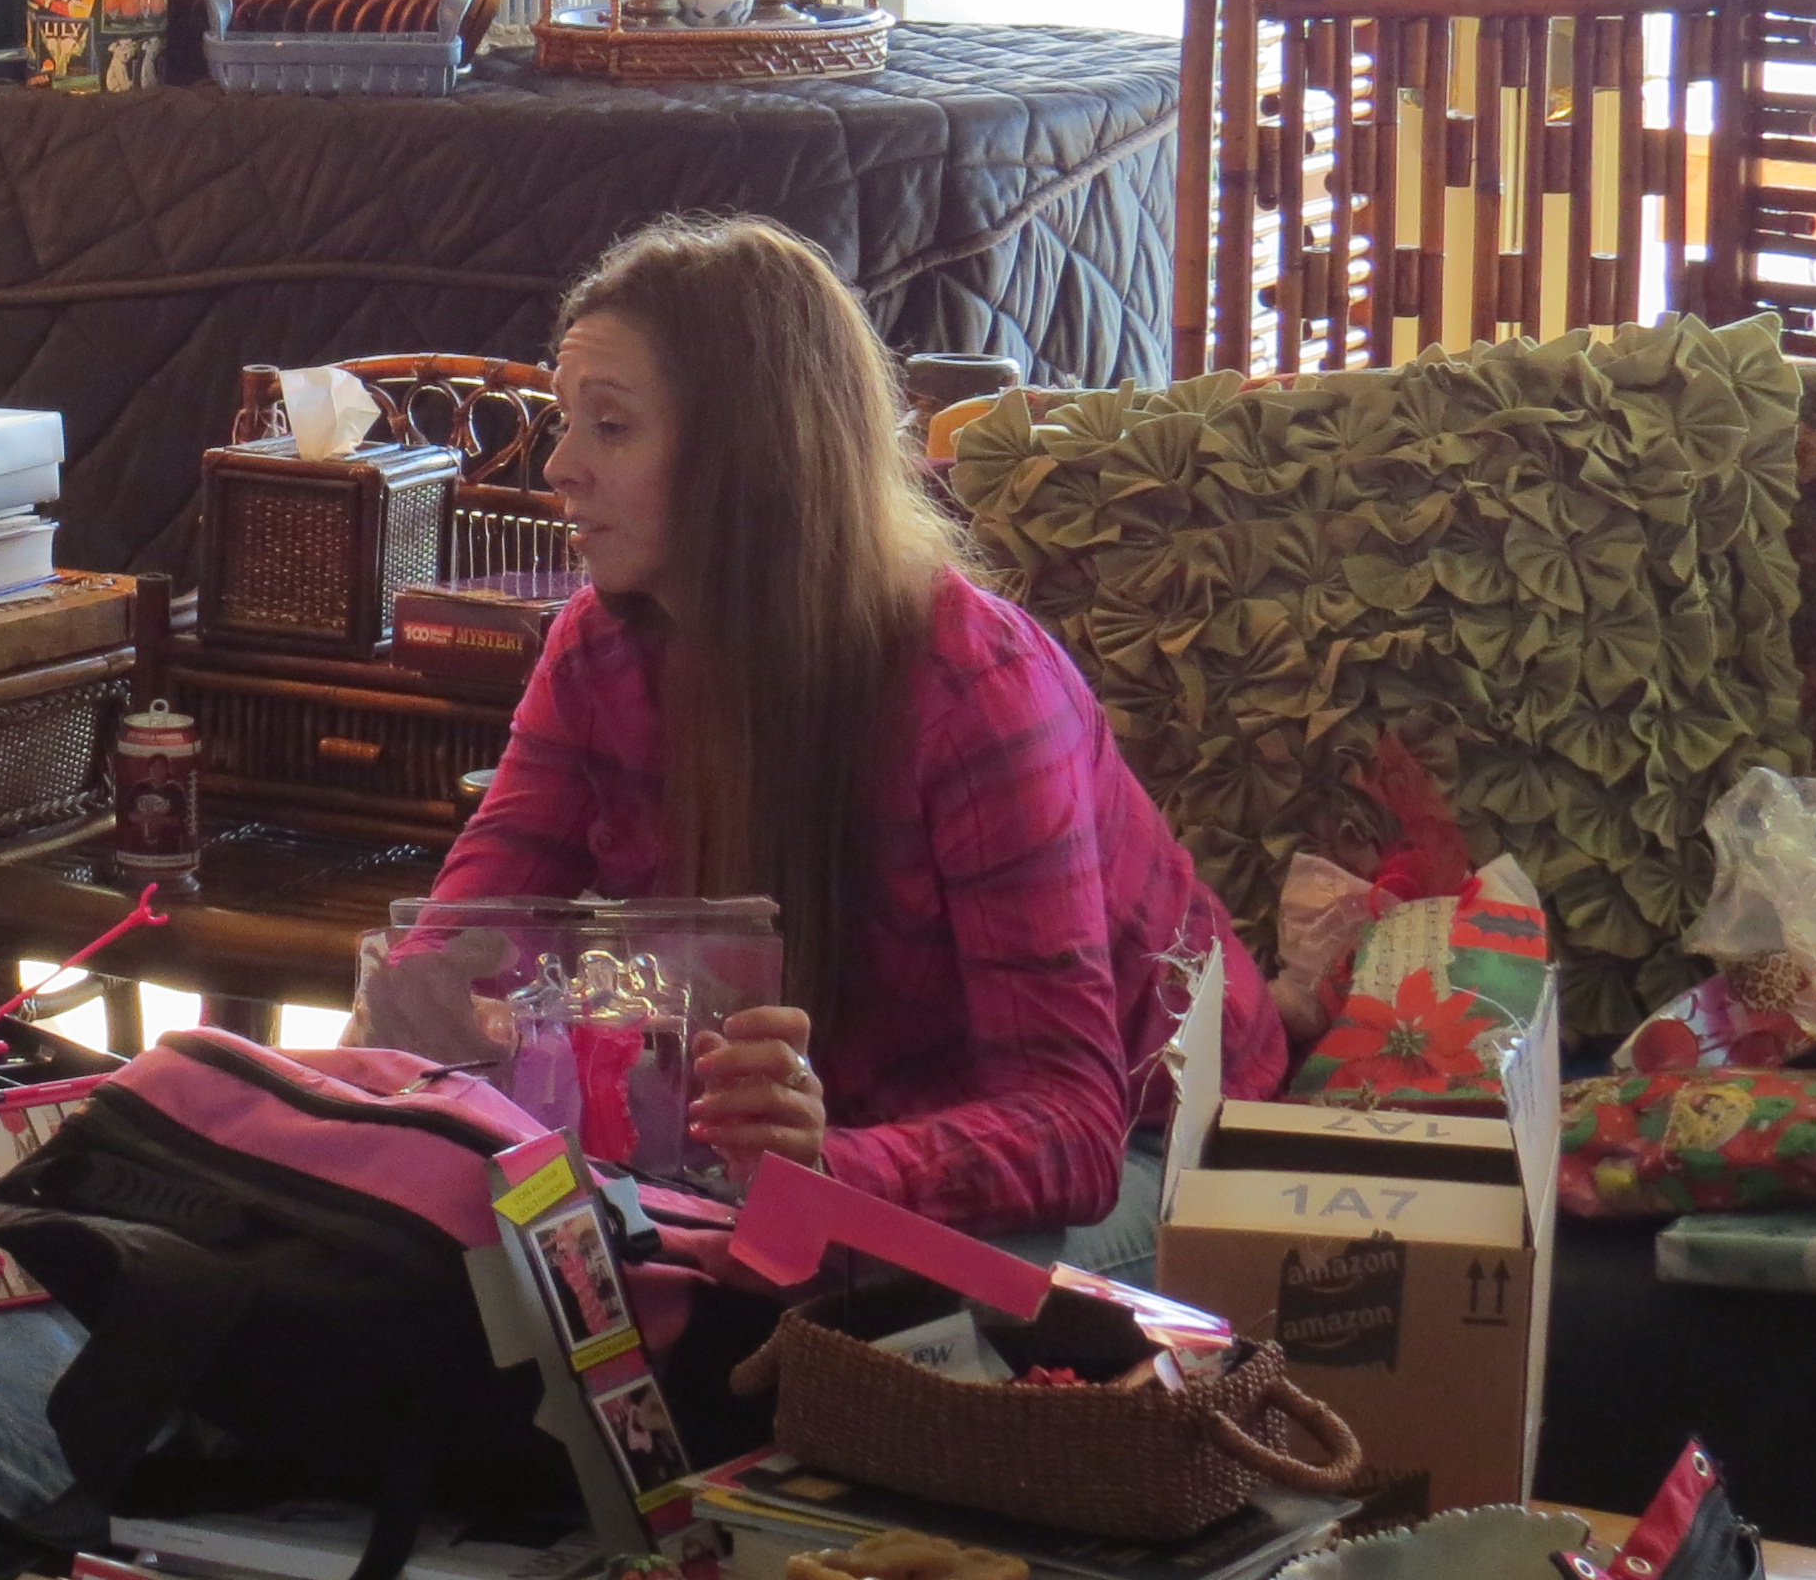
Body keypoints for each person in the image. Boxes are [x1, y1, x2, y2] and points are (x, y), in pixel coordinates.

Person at [415, 214, 1288, 1264]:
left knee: (880, 1309)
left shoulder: (973, 686)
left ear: (750, 453)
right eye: (566, 422)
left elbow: (1070, 1128)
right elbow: (460, 940)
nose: (558, 466)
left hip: (1162, 1139)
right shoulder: (596, 651)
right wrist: (395, 1045)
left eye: (609, 426)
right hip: (832, 1136)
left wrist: (829, 1168)